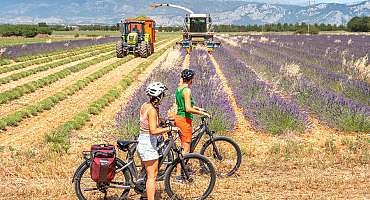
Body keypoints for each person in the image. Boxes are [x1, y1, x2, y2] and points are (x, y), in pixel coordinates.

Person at [136, 82, 179, 200]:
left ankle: (143, 194)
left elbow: (151, 121)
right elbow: (153, 130)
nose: (164, 97)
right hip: (148, 144)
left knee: (145, 170)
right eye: (163, 95)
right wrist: (170, 128)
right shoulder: (152, 110)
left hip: (142, 141)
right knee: (152, 176)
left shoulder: (146, 105)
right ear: (159, 96)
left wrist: (163, 121)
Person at [174, 69, 211, 180]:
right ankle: (178, 174)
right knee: (186, 147)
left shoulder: (179, 89)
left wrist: (199, 108)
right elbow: (188, 108)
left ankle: (182, 167)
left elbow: (184, 105)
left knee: (184, 145)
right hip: (184, 120)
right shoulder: (187, 90)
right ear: (191, 80)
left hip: (179, 117)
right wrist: (202, 113)